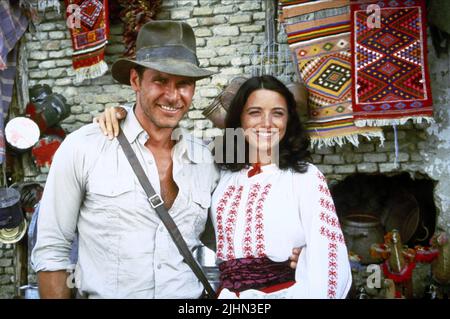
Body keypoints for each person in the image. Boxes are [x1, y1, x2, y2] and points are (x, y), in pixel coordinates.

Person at [31, 20, 300, 299]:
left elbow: (236, 232)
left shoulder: (208, 158)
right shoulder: (84, 148)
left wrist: (295, 248)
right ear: (136, 80)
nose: (173, 96)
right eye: (160, 80)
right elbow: (52, 250)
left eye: (183, 84)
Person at [97, 75, 352, 298]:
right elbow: (166, 142)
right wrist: (122, 115)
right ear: (239, 119)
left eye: (278, 113)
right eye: (255, 112)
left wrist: (303, 259)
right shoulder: (223, 174)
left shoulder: (305, 177)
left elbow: (329, 261)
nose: (267, 122)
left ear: (289, 120)